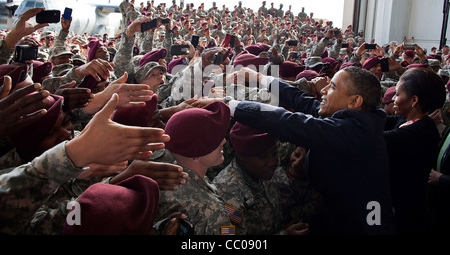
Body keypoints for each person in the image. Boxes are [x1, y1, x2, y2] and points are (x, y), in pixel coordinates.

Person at [220, 66, 397, 235]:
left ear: (354, 101)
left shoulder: (356, 134)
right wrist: (260, 78)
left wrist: (229, 104)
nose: (323, 90)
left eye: (333, 87)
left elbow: (287, 121)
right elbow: (300, 100)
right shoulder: (352, 121)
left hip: (363, 227)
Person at [0, 93, 170, 234]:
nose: (66, 134)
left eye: (66, 122)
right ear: (26, 145)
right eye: (50, 133)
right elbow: (38, 226)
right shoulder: (12, 181)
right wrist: (109, 186)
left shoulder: (85, 140)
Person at [213, 122, 309, 235]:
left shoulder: (264, 171)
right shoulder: (227, 192)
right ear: (242, 157)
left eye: (274, 153)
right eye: (263, 157)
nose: (273, 161)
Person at [156, 101, 234, 235]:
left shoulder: (169, 177)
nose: (223, 141)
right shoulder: (209, 210)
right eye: (214, 140)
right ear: (195, 155)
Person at [383, 68, 446, 234]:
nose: (394, 100)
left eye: (397, 94)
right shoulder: (409, 121)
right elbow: (378, 120)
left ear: (414, 100)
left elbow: (375, 140)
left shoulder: (419, 131)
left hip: (406, 213)